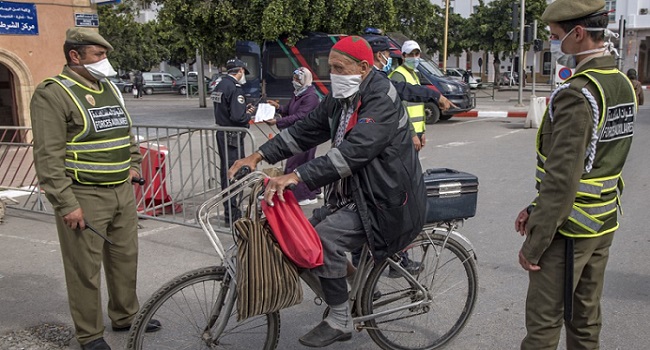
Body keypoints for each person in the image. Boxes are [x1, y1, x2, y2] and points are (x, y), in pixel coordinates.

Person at [229, 36, 426, 347]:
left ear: (363, 67)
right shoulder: (341, 95)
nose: (331, 73)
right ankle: (353, 283)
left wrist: (297, 176)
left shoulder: (381, 96)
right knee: (301, 236)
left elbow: (357, 150)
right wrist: (260, 155)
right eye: (329, 67)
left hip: (385, 197)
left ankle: (340, 318)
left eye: (338, 67)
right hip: (355, 192)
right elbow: (306, 130)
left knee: (324, 240)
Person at [514, 1, 636, 349]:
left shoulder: (579, 94)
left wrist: (534, 245)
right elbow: (594, 165)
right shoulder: (622, 85)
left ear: (578, 33)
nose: (555, 43)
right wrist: (535, 207)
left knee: (543, 327)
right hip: (603, 223)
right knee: (585, 321)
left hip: (569, 230)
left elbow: (563, 179)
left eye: (556, 36)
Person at [30, 28, 161, 350]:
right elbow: (48, 155)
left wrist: (132, 165)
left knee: (124, 257)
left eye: (105, 55)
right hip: (84, 195)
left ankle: (125, 315)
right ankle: (89, 334)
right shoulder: (53, 93)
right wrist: (66, 203)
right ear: (75, 56)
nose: (105, 61)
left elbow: (126, 134)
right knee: (84, 269)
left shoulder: (110, 89)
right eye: (98, 55)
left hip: (120, 191)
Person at [265, 67, 321, 206]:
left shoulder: (311, 97)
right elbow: (289, 109)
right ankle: (314, 191)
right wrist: (277, 107)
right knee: (306, 162)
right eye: (294, 78)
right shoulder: (298, 93)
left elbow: (300, 115)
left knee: (295, 164)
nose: (294, 81)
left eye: (297, 78)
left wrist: (278, 121)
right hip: (299, 133)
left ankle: (305, 196)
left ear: (304, 80)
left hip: (307, 134)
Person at [213, 58, 255, 225]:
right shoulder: (235, 88)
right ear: (240, 71)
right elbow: (237, 117)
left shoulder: (220, 85)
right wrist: (248, 114)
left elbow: (225, 109)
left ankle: (230, 211)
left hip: (223, 132)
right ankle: (233, 214)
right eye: (243, 72)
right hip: (233, 136)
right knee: (235, 172)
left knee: (227, 172)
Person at [389, 40, 427, 151]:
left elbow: (419, 107)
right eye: (410, 54)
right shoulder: (398, 75)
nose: (414, 58)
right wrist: (412, 134)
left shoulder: (414, 75)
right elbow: (401, 108)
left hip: (416, 132)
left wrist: (422, 131)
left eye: (417, 54)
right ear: (403, 56)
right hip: (406, 133)